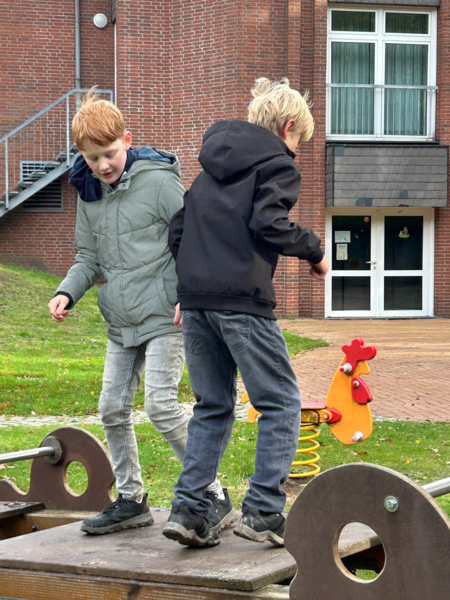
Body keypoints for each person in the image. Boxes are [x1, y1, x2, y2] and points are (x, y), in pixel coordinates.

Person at [48, 90, 232, 535]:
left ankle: (213, 492)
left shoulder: (158, 181)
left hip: (166, 314)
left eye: (109, 154)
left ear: (126, 140)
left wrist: (190, 292)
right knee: (111, 408)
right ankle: (131, 500)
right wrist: (67, 292)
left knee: (161, 406)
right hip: (121, 320)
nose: (103, 165)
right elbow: (88, 257)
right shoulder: (89, 194)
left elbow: (194, 237)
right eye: (92, 158)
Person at [162, 77, 330, 548]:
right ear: (289, 126)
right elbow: (268, 224)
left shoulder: (208, 173)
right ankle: (262, 511)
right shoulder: (278, 165)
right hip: (242, 303)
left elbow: (178, 233)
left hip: (198, 303)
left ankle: (190, 510)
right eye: (299, 141)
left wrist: (191, 289)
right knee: (280, 402)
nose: (297, 151)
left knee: (212, 405)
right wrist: (315, 250)